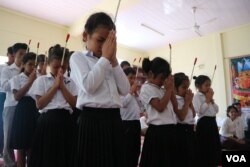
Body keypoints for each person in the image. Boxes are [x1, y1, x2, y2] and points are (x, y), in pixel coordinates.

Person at [70, 12, 130, 167]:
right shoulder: (78, 58)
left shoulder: (110, 61)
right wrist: (105, 58)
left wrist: (114, 60)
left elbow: (125, 89)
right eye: (100, 40)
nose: (104, 46)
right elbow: (89, 85)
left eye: (108, 42)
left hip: (114, 119)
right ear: (85, 35)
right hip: (92, 120)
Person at [28, 44, 78, 167]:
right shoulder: (42, 80)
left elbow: (74, 104)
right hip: (47, 122)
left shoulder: (71, 82)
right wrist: (55, 86)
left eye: (64, 67)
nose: (60, 70)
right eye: (56, 67)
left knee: (64, 157)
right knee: (46, 157)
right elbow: (39, 104)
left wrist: (62, 85)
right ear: (49, 63)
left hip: (66, 121)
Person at [139, 57, 178, 167]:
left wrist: (171, 88)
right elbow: (160, 107)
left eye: (165, 78)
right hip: (158, 132)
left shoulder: (162, 89)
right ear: (151, 74)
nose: (163, 81)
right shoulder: (146, 88)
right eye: (161, 78)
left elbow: (175, 105)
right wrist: (169, 90)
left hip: (170, 130)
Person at [9, 52, 39, 167]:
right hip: (22, 110)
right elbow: (17, 96)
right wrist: (30, 81)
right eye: (30, 64)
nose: (32, 67)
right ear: (23, 64)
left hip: (35, 110)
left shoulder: (39, 78)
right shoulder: (16, 78)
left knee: (32, 145)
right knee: (21, 146)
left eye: (34, 65)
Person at [1, 43, 27, 167]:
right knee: (8, 138)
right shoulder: (7, 70)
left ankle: (21, 162)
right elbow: (4, 86)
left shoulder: (28, 69)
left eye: (25, 54)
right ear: (14, 54)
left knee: (22, 136)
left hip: (24, 107)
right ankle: (9, 164)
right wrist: (18, 78)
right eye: (20, 54)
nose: (23, 56)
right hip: (11, 105)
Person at [193, 75, 221, 166]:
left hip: (212, 122)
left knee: (214, 146)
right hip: (204, 123)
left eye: (210, 85)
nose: (209, 87)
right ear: (198, 86)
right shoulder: (197, 96)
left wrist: (211, 101)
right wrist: (207, 100)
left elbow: (216, 110)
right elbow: (199, 111)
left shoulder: (208, 96)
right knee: (206, 147)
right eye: (206, 85)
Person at [173, 72, 196, 167]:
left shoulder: (186, 98)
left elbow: (194, 114)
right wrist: (187, 102)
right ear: (175, 88)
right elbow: (182, 117)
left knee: (191, 156)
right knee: (183, 157)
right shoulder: (176, 99)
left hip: (190, 130)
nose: (186, 90)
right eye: (184, 87)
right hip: (181, 131)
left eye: (188, 87)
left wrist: (190, 102)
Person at [120, 67, 141, 167]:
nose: (133, 80)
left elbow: (142, 106)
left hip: (136, 123)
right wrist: (130, 92)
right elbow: (122, 104)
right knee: (126, 152)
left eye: (134, 78)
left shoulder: (133, 92)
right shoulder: (120, 90)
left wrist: (136, 94)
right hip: (126, 123)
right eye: (130, 78)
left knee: (135, 150)